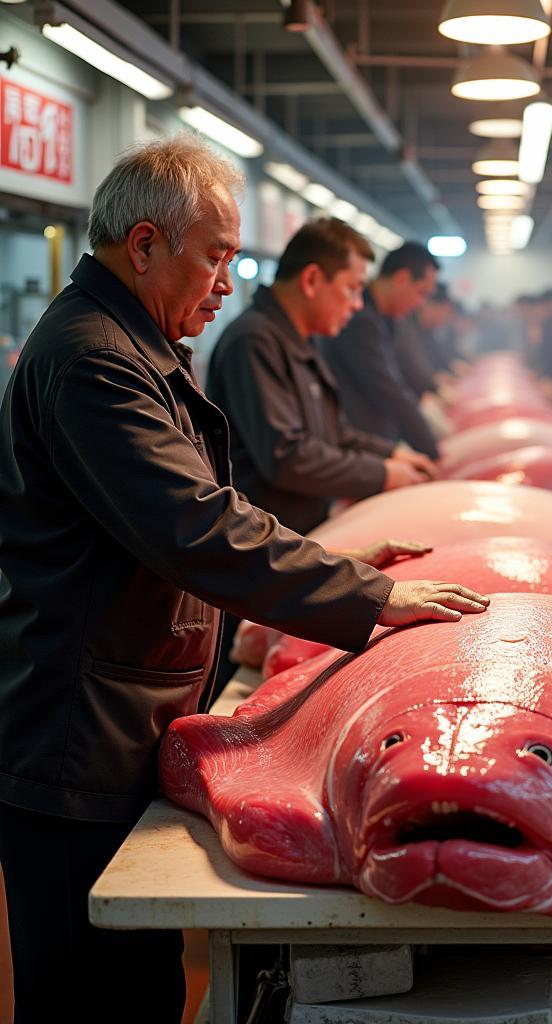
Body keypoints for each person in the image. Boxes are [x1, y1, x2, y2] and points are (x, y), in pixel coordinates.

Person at [0, 136, 488, 1024]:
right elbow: (196, 528)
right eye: (215, 257)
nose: (229, 282)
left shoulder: (139, 343)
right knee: (91, 992)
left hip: (122, 706)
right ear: (144, 245)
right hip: (76, 730)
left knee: (138, 984)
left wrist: (340, 567)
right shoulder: (94, 361)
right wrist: (371, 599)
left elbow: (209, 507)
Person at [207, 218, 435, 537]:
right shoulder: (254, 341)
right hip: (269, 547)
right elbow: (287, 457)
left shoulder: (303, 340)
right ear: (312, 279)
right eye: (352, 288)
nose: (357, 304)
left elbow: (333, 431)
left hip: (304, 532)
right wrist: (382, 473)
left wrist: (392, 454)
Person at [318, 242, 441, 459]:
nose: (420, 304)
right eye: (421, 293)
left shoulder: (388, 319)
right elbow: (390, 391)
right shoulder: (360, 320)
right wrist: (433, 451)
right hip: (361, 449)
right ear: (402, 278)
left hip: (375, 444)